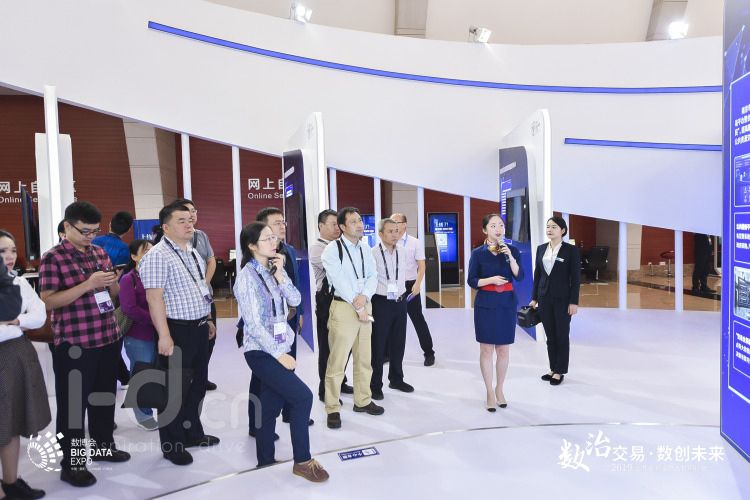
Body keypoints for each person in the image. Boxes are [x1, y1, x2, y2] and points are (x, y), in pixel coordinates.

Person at [39, 201, 131, 487]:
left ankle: (104, 447)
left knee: (103, 398)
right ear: (67, 227)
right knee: (73, 408)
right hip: (75, 344)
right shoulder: (53, 258)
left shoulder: (100, 252)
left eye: (94, 231)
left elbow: (112, 295)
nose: (90, 236)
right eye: (84, 231)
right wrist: (88, 284)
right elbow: (49, 301)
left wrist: (113, 282)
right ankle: (73, 464)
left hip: (107, 337)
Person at [234, 222, 329, 482]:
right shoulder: (246, 278)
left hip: (279, 345)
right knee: (302, 397)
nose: (273, 242)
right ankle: (303, 461)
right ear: (252, 246)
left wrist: (281, 276)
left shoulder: (273, 269)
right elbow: (253, 325)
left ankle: (265, 460)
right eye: (267, 238)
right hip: (261, 351)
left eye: (274, 237)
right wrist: (278, 354)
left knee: (268, 407)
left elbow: (296, 300)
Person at [139, 202, 219, 466]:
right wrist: (164, 335)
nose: (189, 224)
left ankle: (192, 433)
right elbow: (154, 298)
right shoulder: (158, 256)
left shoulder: (192, 251)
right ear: (165, 227)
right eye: (181, 221)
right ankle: (172, 445)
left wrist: (207, 318)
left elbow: (200, 288)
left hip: (198, 327)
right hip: (176, 330)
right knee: (173, 391)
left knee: (196, 385)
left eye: (190, 219)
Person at [322, 207, 383, 429]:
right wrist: (358, 304)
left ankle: (363, 400)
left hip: (365, 305)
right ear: (342, 226)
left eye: (360, 220)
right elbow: (339, 280)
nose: (359, 225)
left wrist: (365, 297)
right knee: (337, 361)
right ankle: (332, 407)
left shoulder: (365, 248)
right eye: (353, 221)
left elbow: (373, 275)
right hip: (344, 307)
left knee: (364, 357)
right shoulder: (332, 249)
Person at [0, 231, 50, 500]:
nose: (9, 256)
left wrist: (16, 321)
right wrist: (17, 322)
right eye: (2, 251)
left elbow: (39, 315)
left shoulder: (18, 282)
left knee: (12, 423)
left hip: (17, 356)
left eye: (12, 250)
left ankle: (11, 482)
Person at [254, 207, 312, 426]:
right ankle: (257, 424)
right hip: (268, 323)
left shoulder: (288, 250)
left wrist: (300, 312)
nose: (283, 226)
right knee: (264, 375)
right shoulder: (257, 254)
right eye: (277, 222)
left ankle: (290, 411)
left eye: (283, 222)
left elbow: (296, 284)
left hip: (289, 319)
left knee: (289, 364)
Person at [467, 214, 523, 411]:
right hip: (486, 304)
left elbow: (520, 275)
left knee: (503, 350)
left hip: (506, 304)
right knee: (486, 350)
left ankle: (500, 388)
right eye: (493, 226)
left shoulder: (512, 250)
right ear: (485, 230)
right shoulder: (478, 253)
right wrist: (490, 280)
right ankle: (489, 392)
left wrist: (511, 257)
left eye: (501, 225)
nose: (498, 229)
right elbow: (472, 280)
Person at [172, 199, 219, 391]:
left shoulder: (201, 235)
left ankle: (201, 376)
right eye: (186, 213)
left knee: (209, 339)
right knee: (187, 346)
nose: (191, 215)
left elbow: (211, 260)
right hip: (182, 304)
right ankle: (187, 380)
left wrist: (204, 284)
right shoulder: (169, 244)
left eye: (193, 211)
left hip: (205, 297)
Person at [529, 216, 580, 386]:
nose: (549, 230)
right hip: (544, 298)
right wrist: (534, 298)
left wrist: (573, 302)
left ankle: (560, 370)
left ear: (563, 230)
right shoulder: (541, 249)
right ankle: (553, 368)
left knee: (562, 335)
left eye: (554, 227)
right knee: (550, 336)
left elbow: (576, 279)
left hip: (563, 300)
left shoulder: (571, 250)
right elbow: (537, 276)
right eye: (548, 227)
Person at [309, 209, 353, 401]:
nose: (338, 228)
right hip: (327, 302)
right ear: (321, 226)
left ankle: (339, 382)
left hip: (344, 300)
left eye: (339, 224)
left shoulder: (341, 245)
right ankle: (325, 390)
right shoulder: (318, 248)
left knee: (343, 345)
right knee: (328, 347)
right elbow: (340, 271)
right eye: (333, 224)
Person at [370, 218, 414, 400]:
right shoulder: (372, 253)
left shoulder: (402, 251)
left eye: (396, 231)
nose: (395, 235)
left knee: (398, 342)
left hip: (400, 301)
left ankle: (396, 379)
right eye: (390, 231)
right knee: (378, 344)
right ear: (381, 234)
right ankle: (375, 385)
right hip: (381, 302)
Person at [119, 239, 158, 430]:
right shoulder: (129, 279)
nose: (151, 254)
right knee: (141, 374)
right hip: (139, 336)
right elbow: (129, 308)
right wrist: (155, 318)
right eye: (146, 251)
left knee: (156, 374)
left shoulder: (159, 275)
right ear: (134, 256)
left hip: (160, 333)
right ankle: (143, 415)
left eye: (153, 250)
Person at [390, 213, 436, 366]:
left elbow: (422, 266)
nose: (394, 225)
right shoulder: (388, 240)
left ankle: (429, 353)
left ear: (404, 224)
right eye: (391, 222)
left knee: (417, 319)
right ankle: (387, 354)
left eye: (397, 222)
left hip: (410, 285)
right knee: (391, 320)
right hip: (393, 285)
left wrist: (417, 283)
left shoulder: (414, 242)